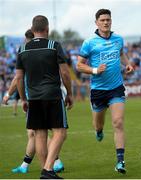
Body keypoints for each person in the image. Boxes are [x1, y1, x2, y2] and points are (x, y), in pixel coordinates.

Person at [77, 9, 134, 174]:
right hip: (98, 90)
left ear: (111, 21)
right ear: (96, 23)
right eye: (102, 20)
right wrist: (95, 70)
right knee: (98, 124)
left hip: (116, 88)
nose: (106, 22)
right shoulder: (89, 42)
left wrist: (127, 64)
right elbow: (79, 65)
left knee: (118, 122)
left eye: (108, 19)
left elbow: (121, 54)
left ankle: (120, 162)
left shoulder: (118, 39)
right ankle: (99, 131)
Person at [16, 15, 73, 179]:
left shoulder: (23, 49)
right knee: (60, 132)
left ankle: (46, 172)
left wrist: (24, 99)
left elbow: (19, 78)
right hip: (52, 95)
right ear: (47, 29)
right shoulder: (54, 45)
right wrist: (69, 93)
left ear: (33, 30)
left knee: (40, 134)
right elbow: (65, 73)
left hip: (33, 98)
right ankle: (48, 169)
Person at [3, 29, 65, 174]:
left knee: (37, 133)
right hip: (42, 97)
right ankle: (30, 165)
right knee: (36, 133)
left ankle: (53, 162)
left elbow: (17, 78)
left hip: (34, 99)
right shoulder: (40, 52)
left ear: (28, 39)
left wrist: (8, 94)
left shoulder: (26, 53)